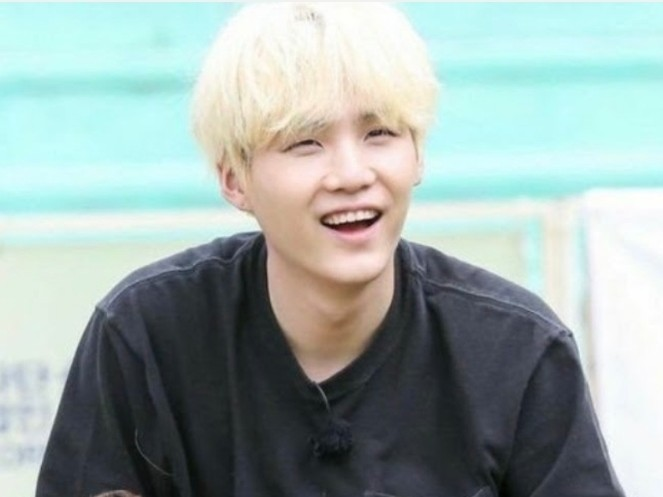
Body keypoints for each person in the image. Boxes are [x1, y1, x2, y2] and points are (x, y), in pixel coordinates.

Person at [36, 3, 625, 497]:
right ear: (234, 179)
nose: (352, 174)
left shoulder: (517, 352)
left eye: (380, 133)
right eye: (306, 142)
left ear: (418, 154)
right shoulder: (145, 337)